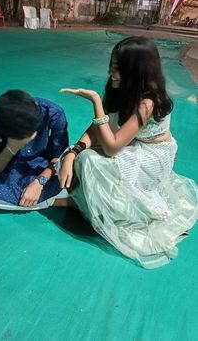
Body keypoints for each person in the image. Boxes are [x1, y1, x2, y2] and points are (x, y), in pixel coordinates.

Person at [58, 36, 198, 269]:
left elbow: (111, 147)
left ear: (136, 72)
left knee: (93, 161)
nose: (111, 74)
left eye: (117, 69)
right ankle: (89, 200)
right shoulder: (120, 87)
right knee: (76, 156)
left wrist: (95, 101)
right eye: (111, 67)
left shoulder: (147, 102)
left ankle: (120, 210)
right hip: (132, 144)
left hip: (154, 154)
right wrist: (73, 152)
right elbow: (96, 128)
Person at [0, 90, 69, 211]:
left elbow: (59, 157)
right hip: (8, 167)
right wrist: (12, 148)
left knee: (69, 178)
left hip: (44, 167)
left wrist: (39, 182)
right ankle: (53, 201)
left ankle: (46, 200)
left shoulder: (54, 113)